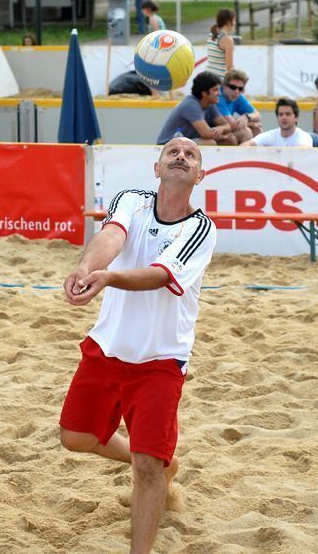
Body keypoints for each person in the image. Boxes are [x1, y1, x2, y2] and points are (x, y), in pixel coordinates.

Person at [59, 137, 216, 554]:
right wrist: (87, 267)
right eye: (172, 152)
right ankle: (163, 461)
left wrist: (107, 278)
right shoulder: (133, 200)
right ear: (157, 167)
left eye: (190, 154)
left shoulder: (201, 228)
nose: (180, 156)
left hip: (161, 360)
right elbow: (112, 236)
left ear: (200, 175)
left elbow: (160, 275)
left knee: (147, 467)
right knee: (74, 436)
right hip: (108, 345)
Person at [155, 71, 234, 146]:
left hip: (186, 142)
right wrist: (221, 133)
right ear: (204, 93)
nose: (219, 93)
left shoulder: (210, 103)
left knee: (231, 139)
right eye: (215, 90)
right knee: (210, 143)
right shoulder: (190, 104)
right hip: (166, 145)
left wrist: (220, 129)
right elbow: (206, 134)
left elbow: (227, 125)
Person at [242, 98, 312, 147]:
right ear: (277, 117)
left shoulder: (304, 136)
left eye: (288, 114)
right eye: (281, 114)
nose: (284, 117)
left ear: (296, 117)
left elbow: (304, 152)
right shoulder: (271, 135)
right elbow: (246, 145)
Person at [216, 69, 262, 143]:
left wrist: (246, 117)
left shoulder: (238, 95)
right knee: (245, 132)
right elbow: (232, 124)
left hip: (226, 129)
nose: (236, 91)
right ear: (224, 86)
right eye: (233, 87)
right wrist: (251, 123)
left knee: (257, 129)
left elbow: (258, 115)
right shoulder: (218, 96)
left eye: (240, 89)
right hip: (213, 132)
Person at [205, 9, 236, 80]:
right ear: (228, 22)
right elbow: (229, 67)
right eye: (234, 20)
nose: (235, 23)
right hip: (219, 80)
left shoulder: (211, 34)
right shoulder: (227, 40)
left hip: (208, 76)